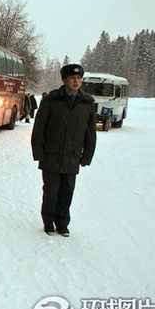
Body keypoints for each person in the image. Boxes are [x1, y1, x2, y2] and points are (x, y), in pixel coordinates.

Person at [30, 64, 97, 237]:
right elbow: (39, 129)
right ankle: (48, 222)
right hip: (51, 155)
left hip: (72, 157)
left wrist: (86, 157)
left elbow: (90, 133)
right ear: (64, 80)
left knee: (67, 191)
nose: (76, 81)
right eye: (72, 78)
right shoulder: (51, 100)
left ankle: (62, 223)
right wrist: (39, 154)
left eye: (79, 78)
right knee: (51, 191)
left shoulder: (87, 103)